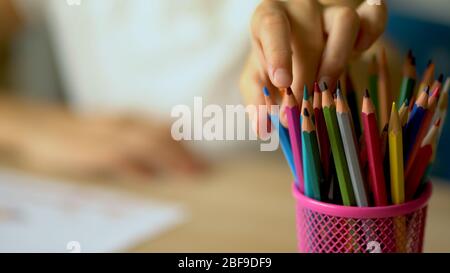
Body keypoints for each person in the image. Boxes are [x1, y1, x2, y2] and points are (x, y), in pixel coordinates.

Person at [0, 0, 387, 180]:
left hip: (272, 214)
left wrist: (327, 27)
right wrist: (24, 124)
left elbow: (341, 18)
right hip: (118, 192)